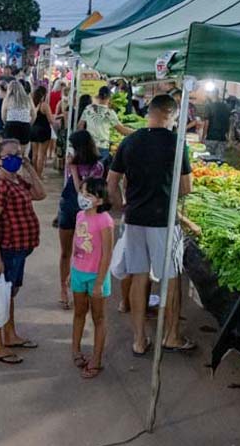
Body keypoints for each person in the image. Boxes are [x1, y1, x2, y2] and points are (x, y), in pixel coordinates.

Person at [107, 94, 196, 356]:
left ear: (151, 112)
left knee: (139, 276)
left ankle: (138, 339)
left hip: (134, 219)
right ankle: (171, 336)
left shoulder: (130, 140)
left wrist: (122, 205)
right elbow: (186, 188)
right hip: (163, 222)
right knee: (170, 278)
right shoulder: (176, 143)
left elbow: (111, 183)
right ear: (171, 114)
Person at [0, 138, 46, 365]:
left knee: (10, 294)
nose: (15, 159)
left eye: (18, 154)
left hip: (20, 249)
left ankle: (9, 336)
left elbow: (40, 194)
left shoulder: (18, 180)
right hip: (7, 250)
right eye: (9, 155)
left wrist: (29, 166)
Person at [70, 177, 114, 379]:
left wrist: (99, 282)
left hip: (97, 275)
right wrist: (71, 271)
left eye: (88, 194)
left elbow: (107, 253)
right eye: (81, 193)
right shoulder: (80, 215)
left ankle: (96, 359)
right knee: (79, 312)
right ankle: (76, 350)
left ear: (99, 199)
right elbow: (75, 242)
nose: (83, 198)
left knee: (99, 317)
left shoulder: (105, 221)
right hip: (79, 272)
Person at [57, 130, 105, 309]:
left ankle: (83, 288)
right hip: (68, 206)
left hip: (86, 212)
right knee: (65, 251)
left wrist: (74, 171)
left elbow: (83, 191)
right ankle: (63, 288)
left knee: (85, 250)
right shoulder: (73, 163)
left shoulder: (96, 166)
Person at [78, 86, 133, 166]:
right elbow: (122, 130)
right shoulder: (110, 112)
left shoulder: (88, 108)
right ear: (109, 98)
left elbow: (80, 126)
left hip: (89, 145)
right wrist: (137, 132)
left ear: (98, 96)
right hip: (102, 147)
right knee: (99, 172)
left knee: (88, 171)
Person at [29, 86, 56, 176]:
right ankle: (39, 175)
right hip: (43, 130)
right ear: (44, 95)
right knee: (41, 155)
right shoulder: (44, 105)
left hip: (33, 130)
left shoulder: (31, 104)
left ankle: (34, 175)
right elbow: (51, 120)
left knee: (34, 154)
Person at [1, 79, 35, 150]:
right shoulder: (28, 98)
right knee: (21, 151)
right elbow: (34, 114)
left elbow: (3, 115)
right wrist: (29, 124)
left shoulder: (7, 99)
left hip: (11, 126)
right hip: (25, 126)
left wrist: (6, 123)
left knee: (11, 151)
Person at [201, 95, 232, 159]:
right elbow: (229, 123)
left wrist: (203, 136)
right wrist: (229, 137)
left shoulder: (209, 106)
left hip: (211, 137)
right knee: (219, 160)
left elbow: (207, 122)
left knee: (208, 158)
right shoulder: (227, 107)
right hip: (222, 139)